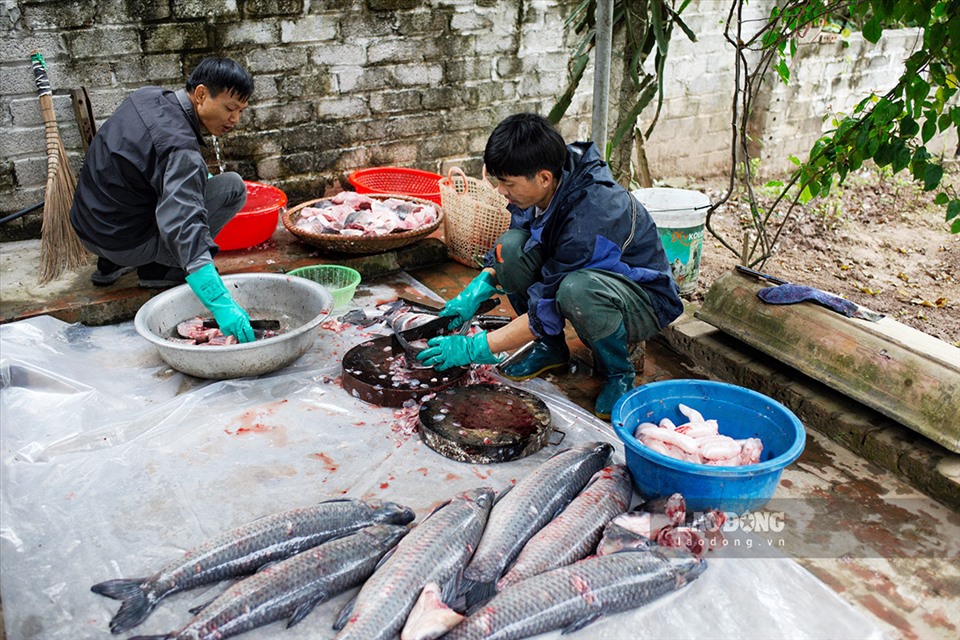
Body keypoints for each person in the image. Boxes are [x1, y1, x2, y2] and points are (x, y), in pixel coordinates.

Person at [417, 113, 684, 419]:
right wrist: (477, 289)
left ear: (543, 178)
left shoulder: (593, 213)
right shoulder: (545, 180)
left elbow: (549, 301)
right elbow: (520, 241)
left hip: (642, 298)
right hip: (585, 276)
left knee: (576, 290)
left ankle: (618, 373)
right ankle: (551, 349)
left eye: (507, 183)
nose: (501, 191)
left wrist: (474, 348)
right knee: (509, 248)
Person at [70, 57, 256, 342]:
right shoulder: (181, 151)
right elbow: (186, 229)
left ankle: (110, 263)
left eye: (241, 111)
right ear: (202, 94)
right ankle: (159, 268)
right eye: (230, 108)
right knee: (232, 188)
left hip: (88, 225)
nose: (235, 119)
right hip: (123, 241)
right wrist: (221, 303)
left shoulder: (149, 97)